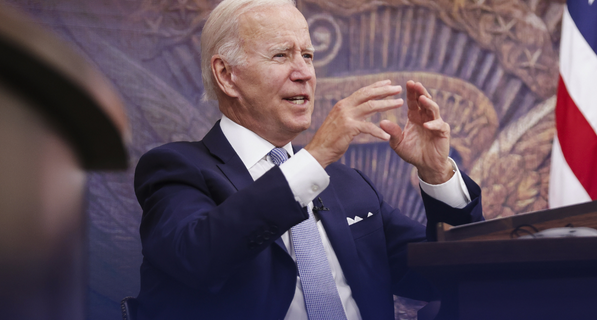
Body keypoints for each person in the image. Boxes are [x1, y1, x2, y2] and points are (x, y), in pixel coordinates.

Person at [133, 0, 484, 319]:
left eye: (308, 56)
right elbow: (200, 257)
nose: (304, 73)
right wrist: (314, 159)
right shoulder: (176, 169)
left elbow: (451, 277)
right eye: (281, 56)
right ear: (227, 75)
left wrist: (437, 173)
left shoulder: (350, 186)